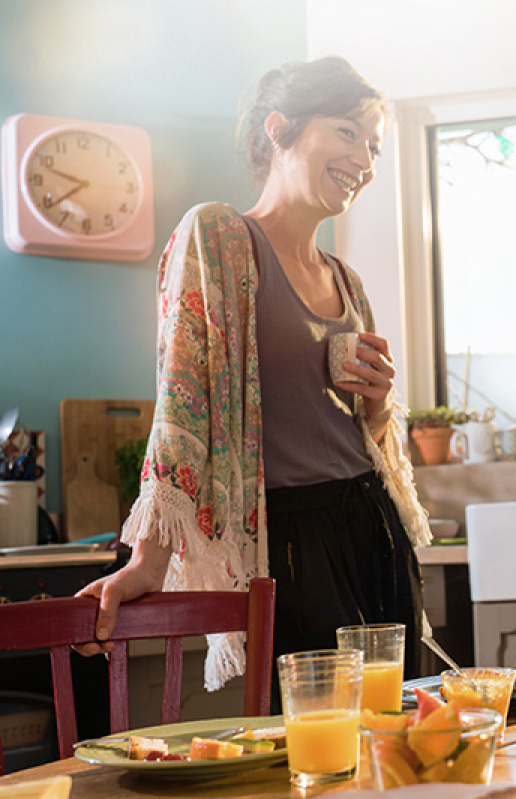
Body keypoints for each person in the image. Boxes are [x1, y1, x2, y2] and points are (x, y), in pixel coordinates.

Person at [76, 56, 433, 691]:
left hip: (370, 530)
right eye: (348, 132)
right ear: (279, 128)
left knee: (400, 740)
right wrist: (147, 562)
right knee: (320, 749)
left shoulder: (347, 281)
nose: (367, 161)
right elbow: (181, 400)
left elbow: (362, 435)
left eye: (374, 146)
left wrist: (378, 411)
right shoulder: (218, 238)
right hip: (288, 544)